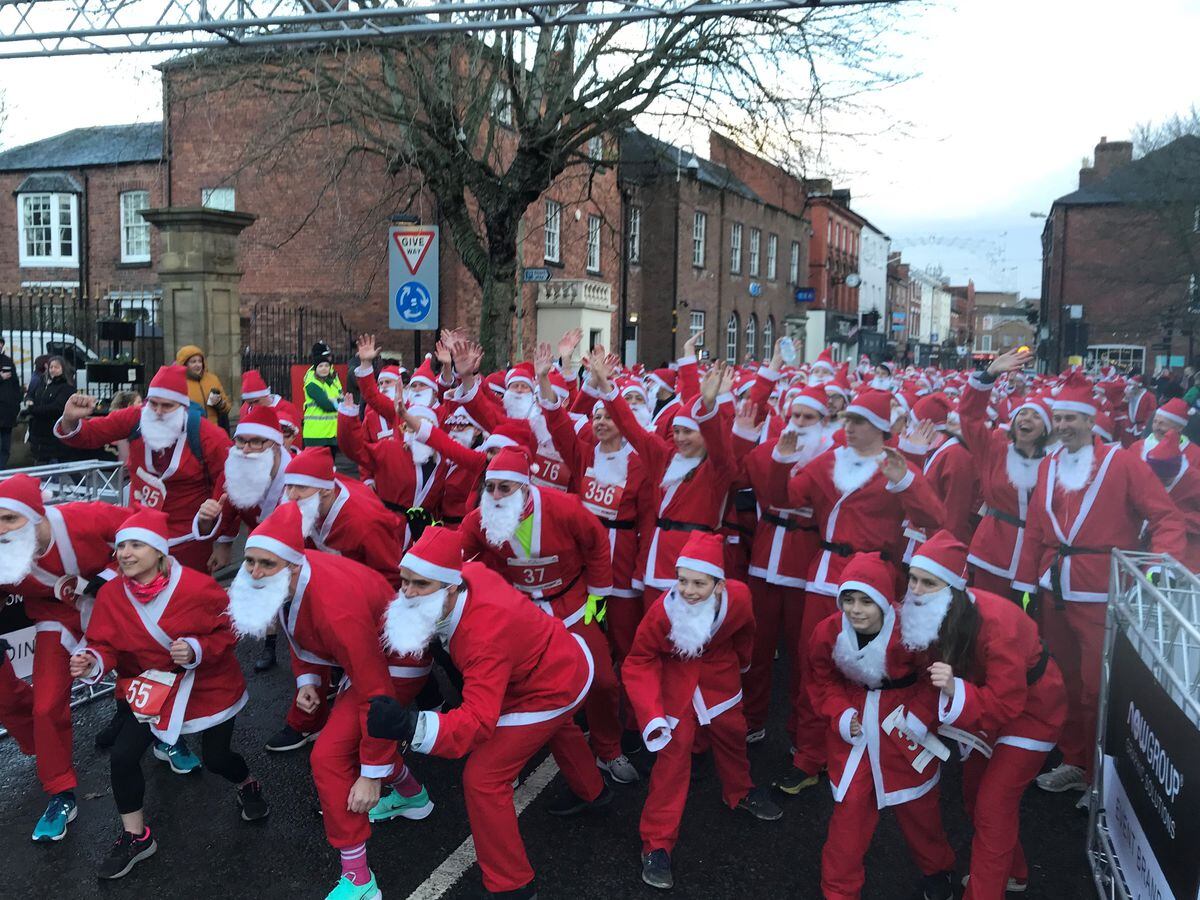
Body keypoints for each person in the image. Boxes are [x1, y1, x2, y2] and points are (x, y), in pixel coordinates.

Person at [366, 525, 610, 900]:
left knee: (483, 778)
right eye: (404, 581)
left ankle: (511, 885)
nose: (407, 593)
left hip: (551, 687)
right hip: (554, 662)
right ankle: (593, 792)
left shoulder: (482, 636)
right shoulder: (466, 576)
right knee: (557, 729)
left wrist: (408, 724)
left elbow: (478, 724)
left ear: (449, 588)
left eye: (419, 585)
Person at [226, 503, 432, 900]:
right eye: (248, 560)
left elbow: (379, 697)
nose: (253, 572)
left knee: (328, 757)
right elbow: (297, 624)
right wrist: (307, 679)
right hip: (372, 660)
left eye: (265, 564)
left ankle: (360, 881)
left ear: (292, 566)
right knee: (342, 742)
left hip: (393, 669)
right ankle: (412, 796)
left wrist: (370, 773)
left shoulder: (336, 609)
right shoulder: (295, 571)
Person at [68, 509, 267, 880]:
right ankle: (136, 837)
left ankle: (246, 783)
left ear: (159, 551)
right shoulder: (112, 594)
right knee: (124, 757)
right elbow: (103, 643)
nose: (125, 553)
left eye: (136, 545)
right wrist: (91, 661)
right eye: (122, 545)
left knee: (217, 758)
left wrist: (196, 649)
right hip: (151, 688)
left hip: (206, 685)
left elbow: (229, 630)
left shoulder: (197, 586)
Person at [767, 388, 946, 792]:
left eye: (858, 421)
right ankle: (809, 755)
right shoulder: (828, 461)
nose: (847, 427)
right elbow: (782, 500)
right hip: (825, 576)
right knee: (814, 664)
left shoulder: (896, 464)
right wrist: (781, 461)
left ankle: (873, 747)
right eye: (846, 419)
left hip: (877, 581)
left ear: (881, 428)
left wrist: (906, 481)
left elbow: (935, 517)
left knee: (875, 669)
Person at [1015, 370, 1183, 794]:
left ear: (1092, 422)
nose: (1066, 425)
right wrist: (1025, 586)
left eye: (1075, 418)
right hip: (1054, 591)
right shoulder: (1050, 464)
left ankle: (1102, 774)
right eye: (1061, 417)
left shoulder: (1122, 462)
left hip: (1099, 595)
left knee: (1097, 689)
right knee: (1062, 681)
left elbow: (1165, 517)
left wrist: (1159, 566)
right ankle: (1074, 761)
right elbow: (1035, 528)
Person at [901, 531, 1067, 899]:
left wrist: (953, 691)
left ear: (953, 587)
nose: (916, 589)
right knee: (975, 795)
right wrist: (918, 716)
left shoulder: (997, 623)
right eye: (913, 578)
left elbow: (1007, 704)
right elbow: (934, 675)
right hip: (985, 703)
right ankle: (1015, 872)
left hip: (1034, 712)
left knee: (993, 806)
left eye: (928, 582)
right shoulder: (936, 614)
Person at [459, 445, 634, 784]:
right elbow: (456, 554)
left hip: (571, 605)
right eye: (490, 486)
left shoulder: (562, 507)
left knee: (603, 682)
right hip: (524, 615)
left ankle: (608, 748)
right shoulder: (481, 519)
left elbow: (597, 541)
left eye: (504, 488)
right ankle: (511, 757)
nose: (495, 495)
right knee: (519, 686)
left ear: (525, 487)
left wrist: (599, 591)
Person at [623, 532, 782, 891]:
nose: (689, 590)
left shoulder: (739, 598)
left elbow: (746, 632)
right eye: (682, 581)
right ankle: (657, 843)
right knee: (673, 758)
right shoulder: (662, 611)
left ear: (720, 585)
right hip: (675, 681)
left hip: (718, 677)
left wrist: (740, 666)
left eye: (699, 583)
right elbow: (639, 660)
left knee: (732, 734)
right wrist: (651, 714)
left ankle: (740, 792)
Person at [808, 552, 956, 900]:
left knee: (919, 808)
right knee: (850, 814)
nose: (856, 610)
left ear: (885, 602)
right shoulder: (827, 632)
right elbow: (820, 680)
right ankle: (838, 891)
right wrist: (841, 715)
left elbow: (930, 678)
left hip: (902, 726)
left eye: (866, 601)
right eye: (848, 599)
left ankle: (937, 869)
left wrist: (919, 718)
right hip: (856, 728)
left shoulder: (914, 633)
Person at [0, 474, 129, 841]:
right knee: (46, 707)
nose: (2, 528)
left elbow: (145, 530)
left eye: (11, 518)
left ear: (37, 514)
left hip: (116, 606)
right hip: (57, 620)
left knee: (150, 669)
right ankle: (61, 792)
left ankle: (172, 736)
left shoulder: (83, 517)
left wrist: (110, 575)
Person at [264, 447, 407, 753]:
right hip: (323, 583)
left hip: (367, 592)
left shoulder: (363, 520)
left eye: (299, 487)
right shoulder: (305, 502)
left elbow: (391, 575)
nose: (290, 495)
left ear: (326, 491)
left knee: (367, 663)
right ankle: (308, 714)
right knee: (299, 622)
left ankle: (390, 717)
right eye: (289, 486)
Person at [54, 365, 231, 571]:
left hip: (188, 539)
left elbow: (228, 486)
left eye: (167, 406)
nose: (157, 412)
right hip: (139, 533)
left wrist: (223, 541)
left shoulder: (208, 435)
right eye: (153, 403)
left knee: (185, 599)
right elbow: (91, 434)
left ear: (182, 406)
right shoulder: (135, 418)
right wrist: (69, 419)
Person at [957, 348, 1053, 597]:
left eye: (1036, 416)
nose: (1027, 419)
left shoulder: (1053, 462)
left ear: (1046, 430)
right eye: (1023, 413)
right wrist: (988, 375)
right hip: (992, 552)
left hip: (1036, 556)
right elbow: (969, 417)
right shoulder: (995, 449)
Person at [27, 356, 76, 464]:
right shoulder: (43, 383)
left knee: (63, 462)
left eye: (56, 367)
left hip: (55, 431)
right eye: (51, 367)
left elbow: (57, 408)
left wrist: (33, 410)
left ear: (63, 369)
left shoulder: (66, 387)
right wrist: (29, 401)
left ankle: (81, 481)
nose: (53, 370)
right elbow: (33, 396)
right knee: (42, 463)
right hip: (40, 431)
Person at [175, 345, 231, 427]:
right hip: (191, 430)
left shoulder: (213, 379)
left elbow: (227, 407)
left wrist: (219, 403)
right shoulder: (178, 381)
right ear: (185, 364)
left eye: (200, 361)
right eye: (193, 362)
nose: (197, 365)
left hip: (213, 429)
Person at [303, 341, 343, 453]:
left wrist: (337, 401)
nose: (330, 358)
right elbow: (326, 404)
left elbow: (342, 397)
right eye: (326, 356)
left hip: (331, 433)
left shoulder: (332, 374)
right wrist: (337, 402)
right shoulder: (312, 377)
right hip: (317, 434)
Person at [0, 359, 21, 467]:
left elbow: (15, 385)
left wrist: (16, 404)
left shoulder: (7, 361)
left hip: (7, 412)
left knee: (5, 447)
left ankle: (2, 471)